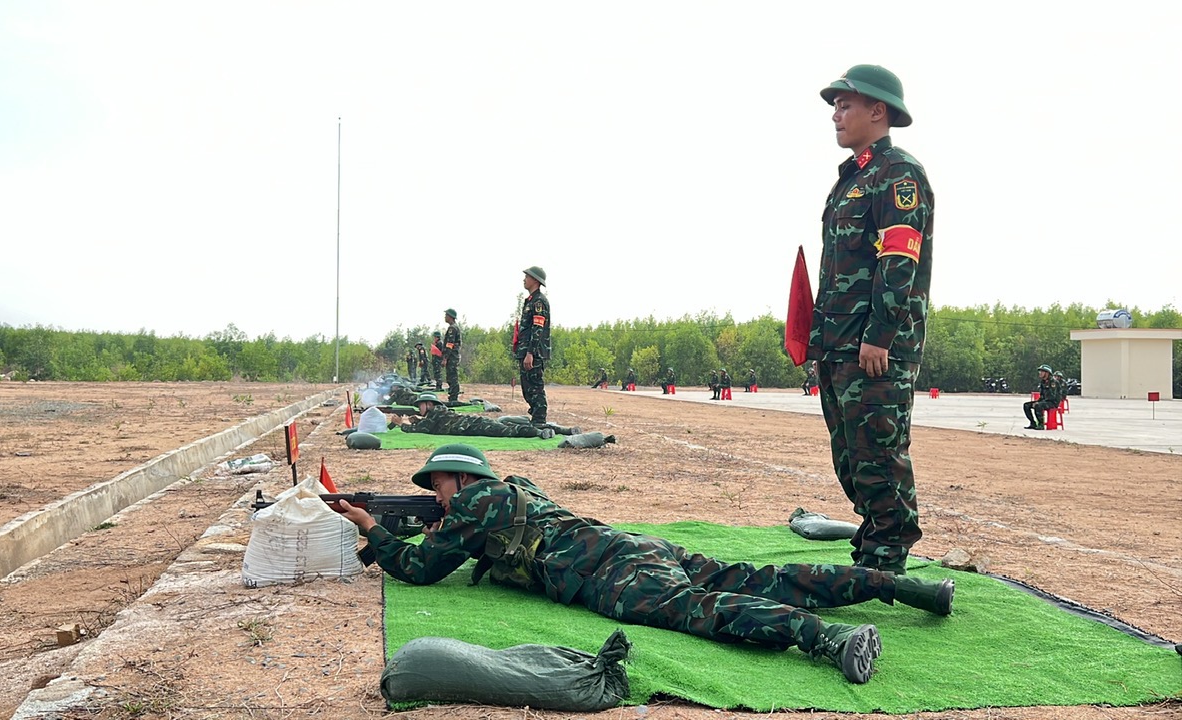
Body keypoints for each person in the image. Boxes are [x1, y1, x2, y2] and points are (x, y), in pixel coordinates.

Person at [335, 444, 955, 684]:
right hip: (636, 547)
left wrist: (370, 528)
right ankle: (906, 587)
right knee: (762, 576)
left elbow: (419, 570)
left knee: (702, 612)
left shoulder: (476, 500)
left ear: (461, 479)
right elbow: (480, 549)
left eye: (438, 486)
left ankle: (831, 639)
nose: (438, 497)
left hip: (609, 572)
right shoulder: (512, 490)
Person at [809, 65, 934, 574]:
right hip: (840, 344)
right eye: (835, 106)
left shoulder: (897, 175)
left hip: (875, 349)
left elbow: (898, 261)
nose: (836, 114)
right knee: (850, 455)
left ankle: (888, 555)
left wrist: (879, 337)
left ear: (877, 110)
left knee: (878, 453)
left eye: (846, 105)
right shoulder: (853, 178)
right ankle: (872, 537)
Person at [393, 394, 573, 438]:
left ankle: (540, 432)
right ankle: (552, 429)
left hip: (473, 426)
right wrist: (416, 420)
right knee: (507, 428)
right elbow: (426, 425)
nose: (419, 408)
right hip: (472, 424)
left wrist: (402, 424)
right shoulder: (435, 414)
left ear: (429, 405)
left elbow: (424, 430)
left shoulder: (436, 413)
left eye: (421, 405)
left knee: (508, 431)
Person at [514, 266, 551, 424]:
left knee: (535, 387)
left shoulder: (539, 302)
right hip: (525, 351)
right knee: (527, 388)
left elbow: (538, 329)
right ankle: (535, 416)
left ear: (535, 280)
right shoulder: (529, 301)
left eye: (527, 277)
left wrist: (530, 353)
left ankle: (540, 420)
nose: (524, 279)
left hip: (533, 352)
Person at [1023, 365, 1062, 430]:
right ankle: (1033, 423)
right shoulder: (1043, 382)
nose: (1040, 373)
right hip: (1044, 401)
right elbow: (1042, 396)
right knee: (1026, 405)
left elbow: (1052, 397)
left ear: (1047, 373)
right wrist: (1038, 401)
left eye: (1042, 371)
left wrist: (1039, 402)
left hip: (1052, 402)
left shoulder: (1053, 382)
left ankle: (1041, 424)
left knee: (1038, 405)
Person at [443, 309, 462, 402]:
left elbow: (449, 344)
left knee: (452, 377)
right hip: (453, 356)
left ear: (450, 316)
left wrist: (445, 358)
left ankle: (454, 397)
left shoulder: (452, 328)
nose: (444, 317)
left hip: (452, 357)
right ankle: (453, 396)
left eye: (446, 315)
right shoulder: (454, 327)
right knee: (451, 377)